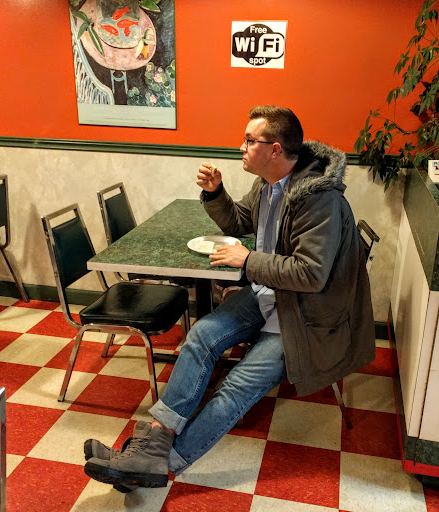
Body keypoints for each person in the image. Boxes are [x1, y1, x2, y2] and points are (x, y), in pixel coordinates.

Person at [83, 105, 375, 490]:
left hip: (307, 316)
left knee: (236, 387)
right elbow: (240, 223)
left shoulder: (318, 200)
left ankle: (160, 464)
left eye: (249, 140)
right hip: (270, 295)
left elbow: (311, 274)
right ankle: (152, 442)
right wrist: (216, 194)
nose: (241, 146)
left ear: (275, 149)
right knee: (201, 335)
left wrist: (248, 260)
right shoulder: (269, 185)